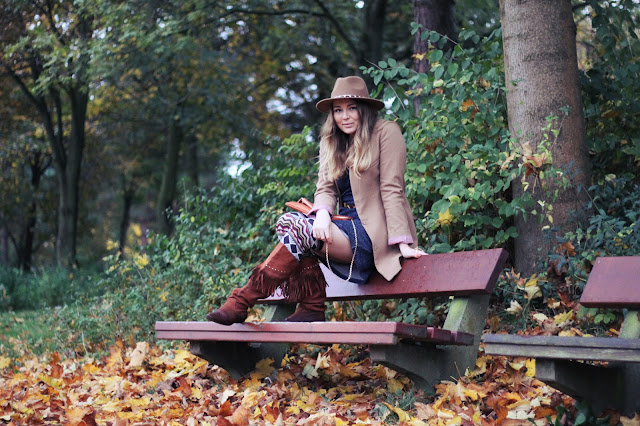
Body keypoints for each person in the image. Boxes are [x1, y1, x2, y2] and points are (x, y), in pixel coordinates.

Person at [206, 76, 426, 325]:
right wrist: (322, 214)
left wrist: (403, 241)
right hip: (342, 226)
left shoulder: (386, 132)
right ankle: (310, 306)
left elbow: (392, 189)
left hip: (372, 235)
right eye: (338, 110)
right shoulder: (331, 140)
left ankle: (242, 301)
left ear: (364, 108)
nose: (345, 116)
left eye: (352, 108)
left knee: (299, 228)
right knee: (291, 222)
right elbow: (325, 188)